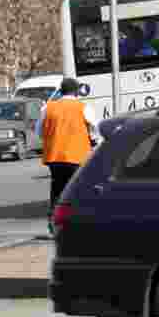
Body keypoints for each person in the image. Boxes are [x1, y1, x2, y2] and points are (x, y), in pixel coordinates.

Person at [38, 77, 96, 234]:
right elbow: (95, 128)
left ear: (61, 91)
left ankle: (55, 224)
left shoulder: (48, 108)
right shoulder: (82, 107)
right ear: (76, 91)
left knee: (57, 190)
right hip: (77, 156)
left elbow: (39, 131)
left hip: (54, 156)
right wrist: (93, 140)